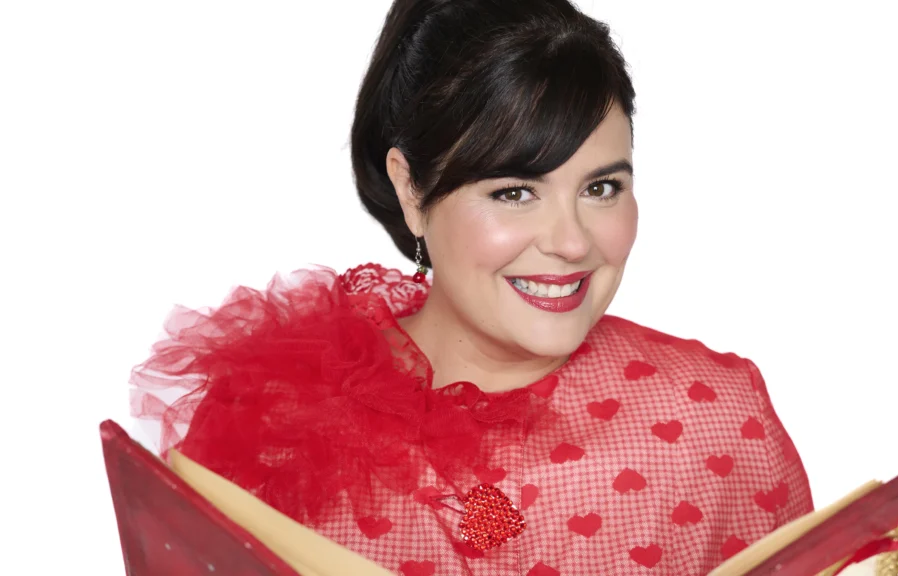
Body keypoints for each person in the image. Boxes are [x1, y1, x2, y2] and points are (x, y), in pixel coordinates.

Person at [129, 0, 813, 574]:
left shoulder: (718, 420)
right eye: (514, 191)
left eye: (602, 188)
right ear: (411, 190)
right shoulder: (273, 428)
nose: (572, 242)